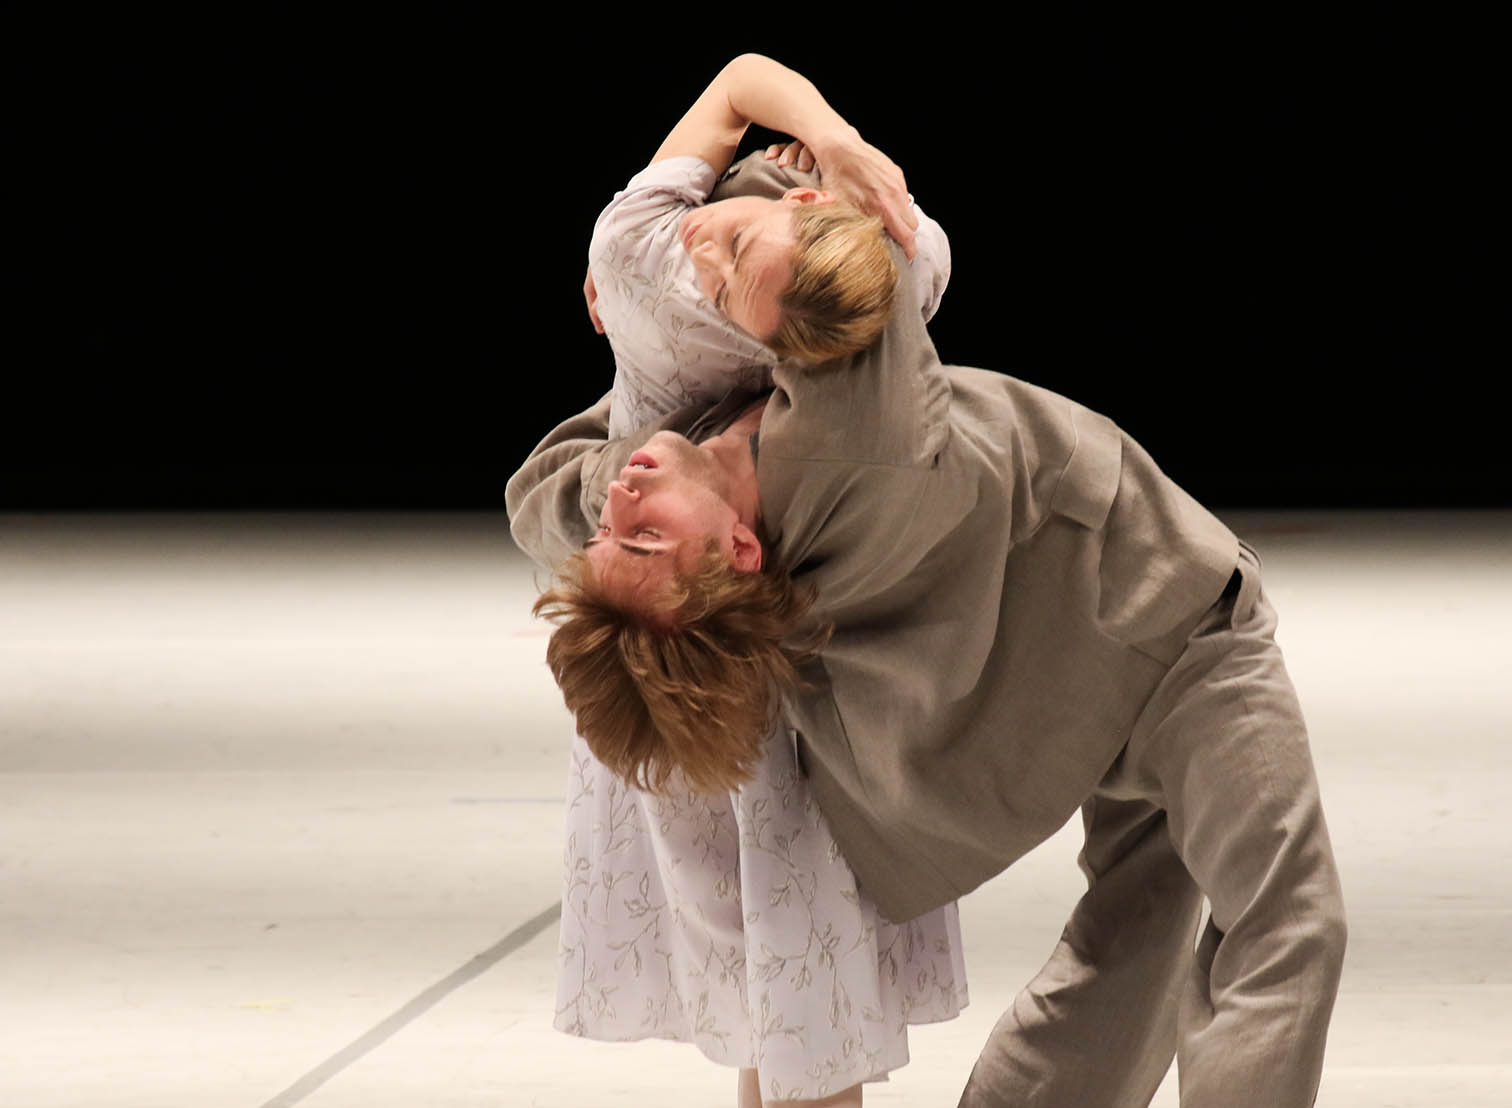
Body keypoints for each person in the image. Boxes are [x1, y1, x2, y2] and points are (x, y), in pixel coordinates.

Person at [509, 75, 1350, 1100]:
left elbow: (542, 496)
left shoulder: (666, 478)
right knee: (1286, 921)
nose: (625, 501)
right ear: (738, 552)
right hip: (1168, 623)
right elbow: (878, 261)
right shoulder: (858, 438)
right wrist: (801, 168)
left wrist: (657, 357)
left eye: (615, 532)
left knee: (1130, 946)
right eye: (646, 539)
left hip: (1077, 680)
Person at [537, 55, 966, 1108]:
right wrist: (836, 145)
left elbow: (735, 95)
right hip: (712, 682)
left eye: (729, 241)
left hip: (734, 679)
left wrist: (823, 151)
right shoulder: (885, 294)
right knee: (786, 1013)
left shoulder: (645, 268)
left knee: (779, 1015)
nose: (703, 240)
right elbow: (748, 96)